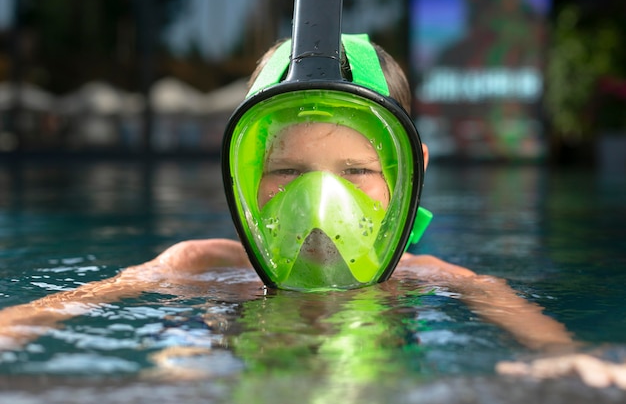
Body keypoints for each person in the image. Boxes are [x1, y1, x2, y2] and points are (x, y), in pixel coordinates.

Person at [0, 35, 624, 388]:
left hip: (378, 383)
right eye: (287, 173)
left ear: (410, 176)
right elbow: (52, 311)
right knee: (182, 364)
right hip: (219, 379)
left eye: (356, 173)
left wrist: (572, 360)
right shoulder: (193, 265)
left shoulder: (430, 277)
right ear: (245, 177)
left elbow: (547, 342)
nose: (321, 205)